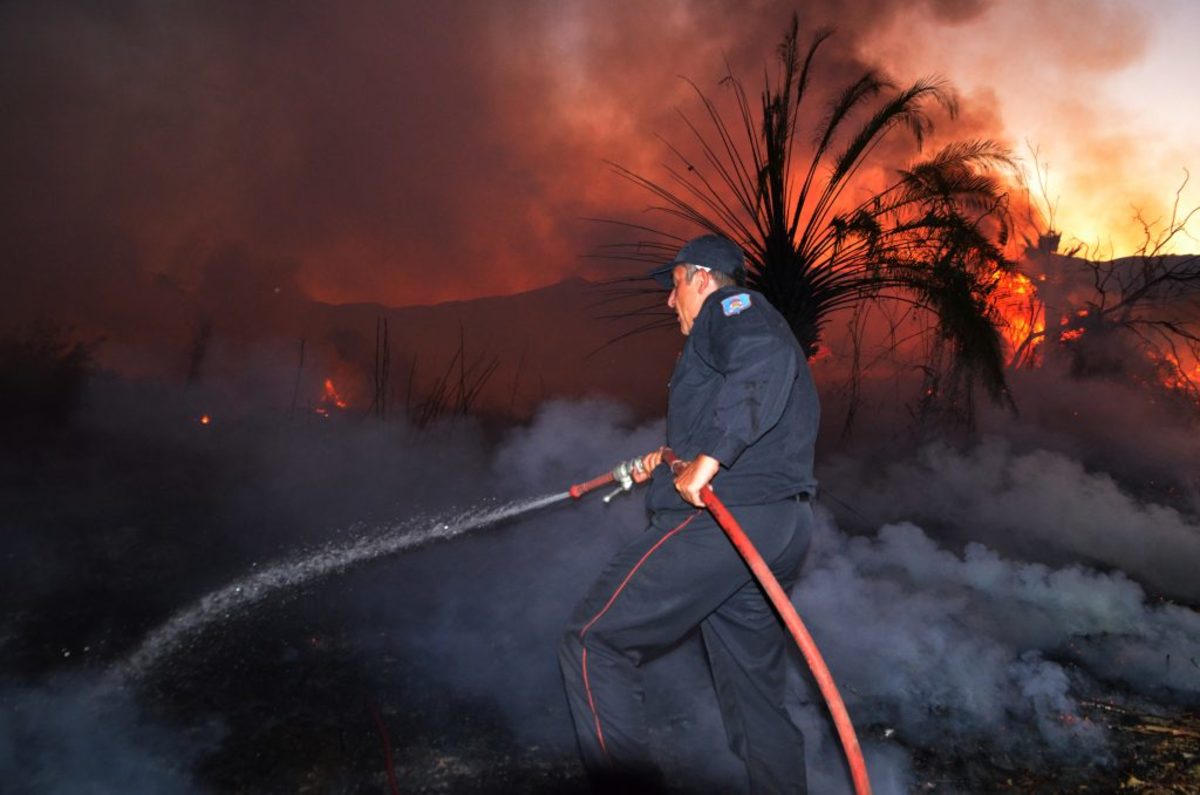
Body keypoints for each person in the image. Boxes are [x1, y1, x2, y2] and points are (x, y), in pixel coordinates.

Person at [558, 234, 821, 792]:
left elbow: (764, 363)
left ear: (702, 277)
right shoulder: (731, 330)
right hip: (778, 524)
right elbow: (750, 397)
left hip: (728, 522)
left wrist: (709, 460)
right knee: (755, 703)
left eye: (674, 285)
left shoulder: (734, 309)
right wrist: (679, 455)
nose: (668, 301)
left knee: (593, 642)